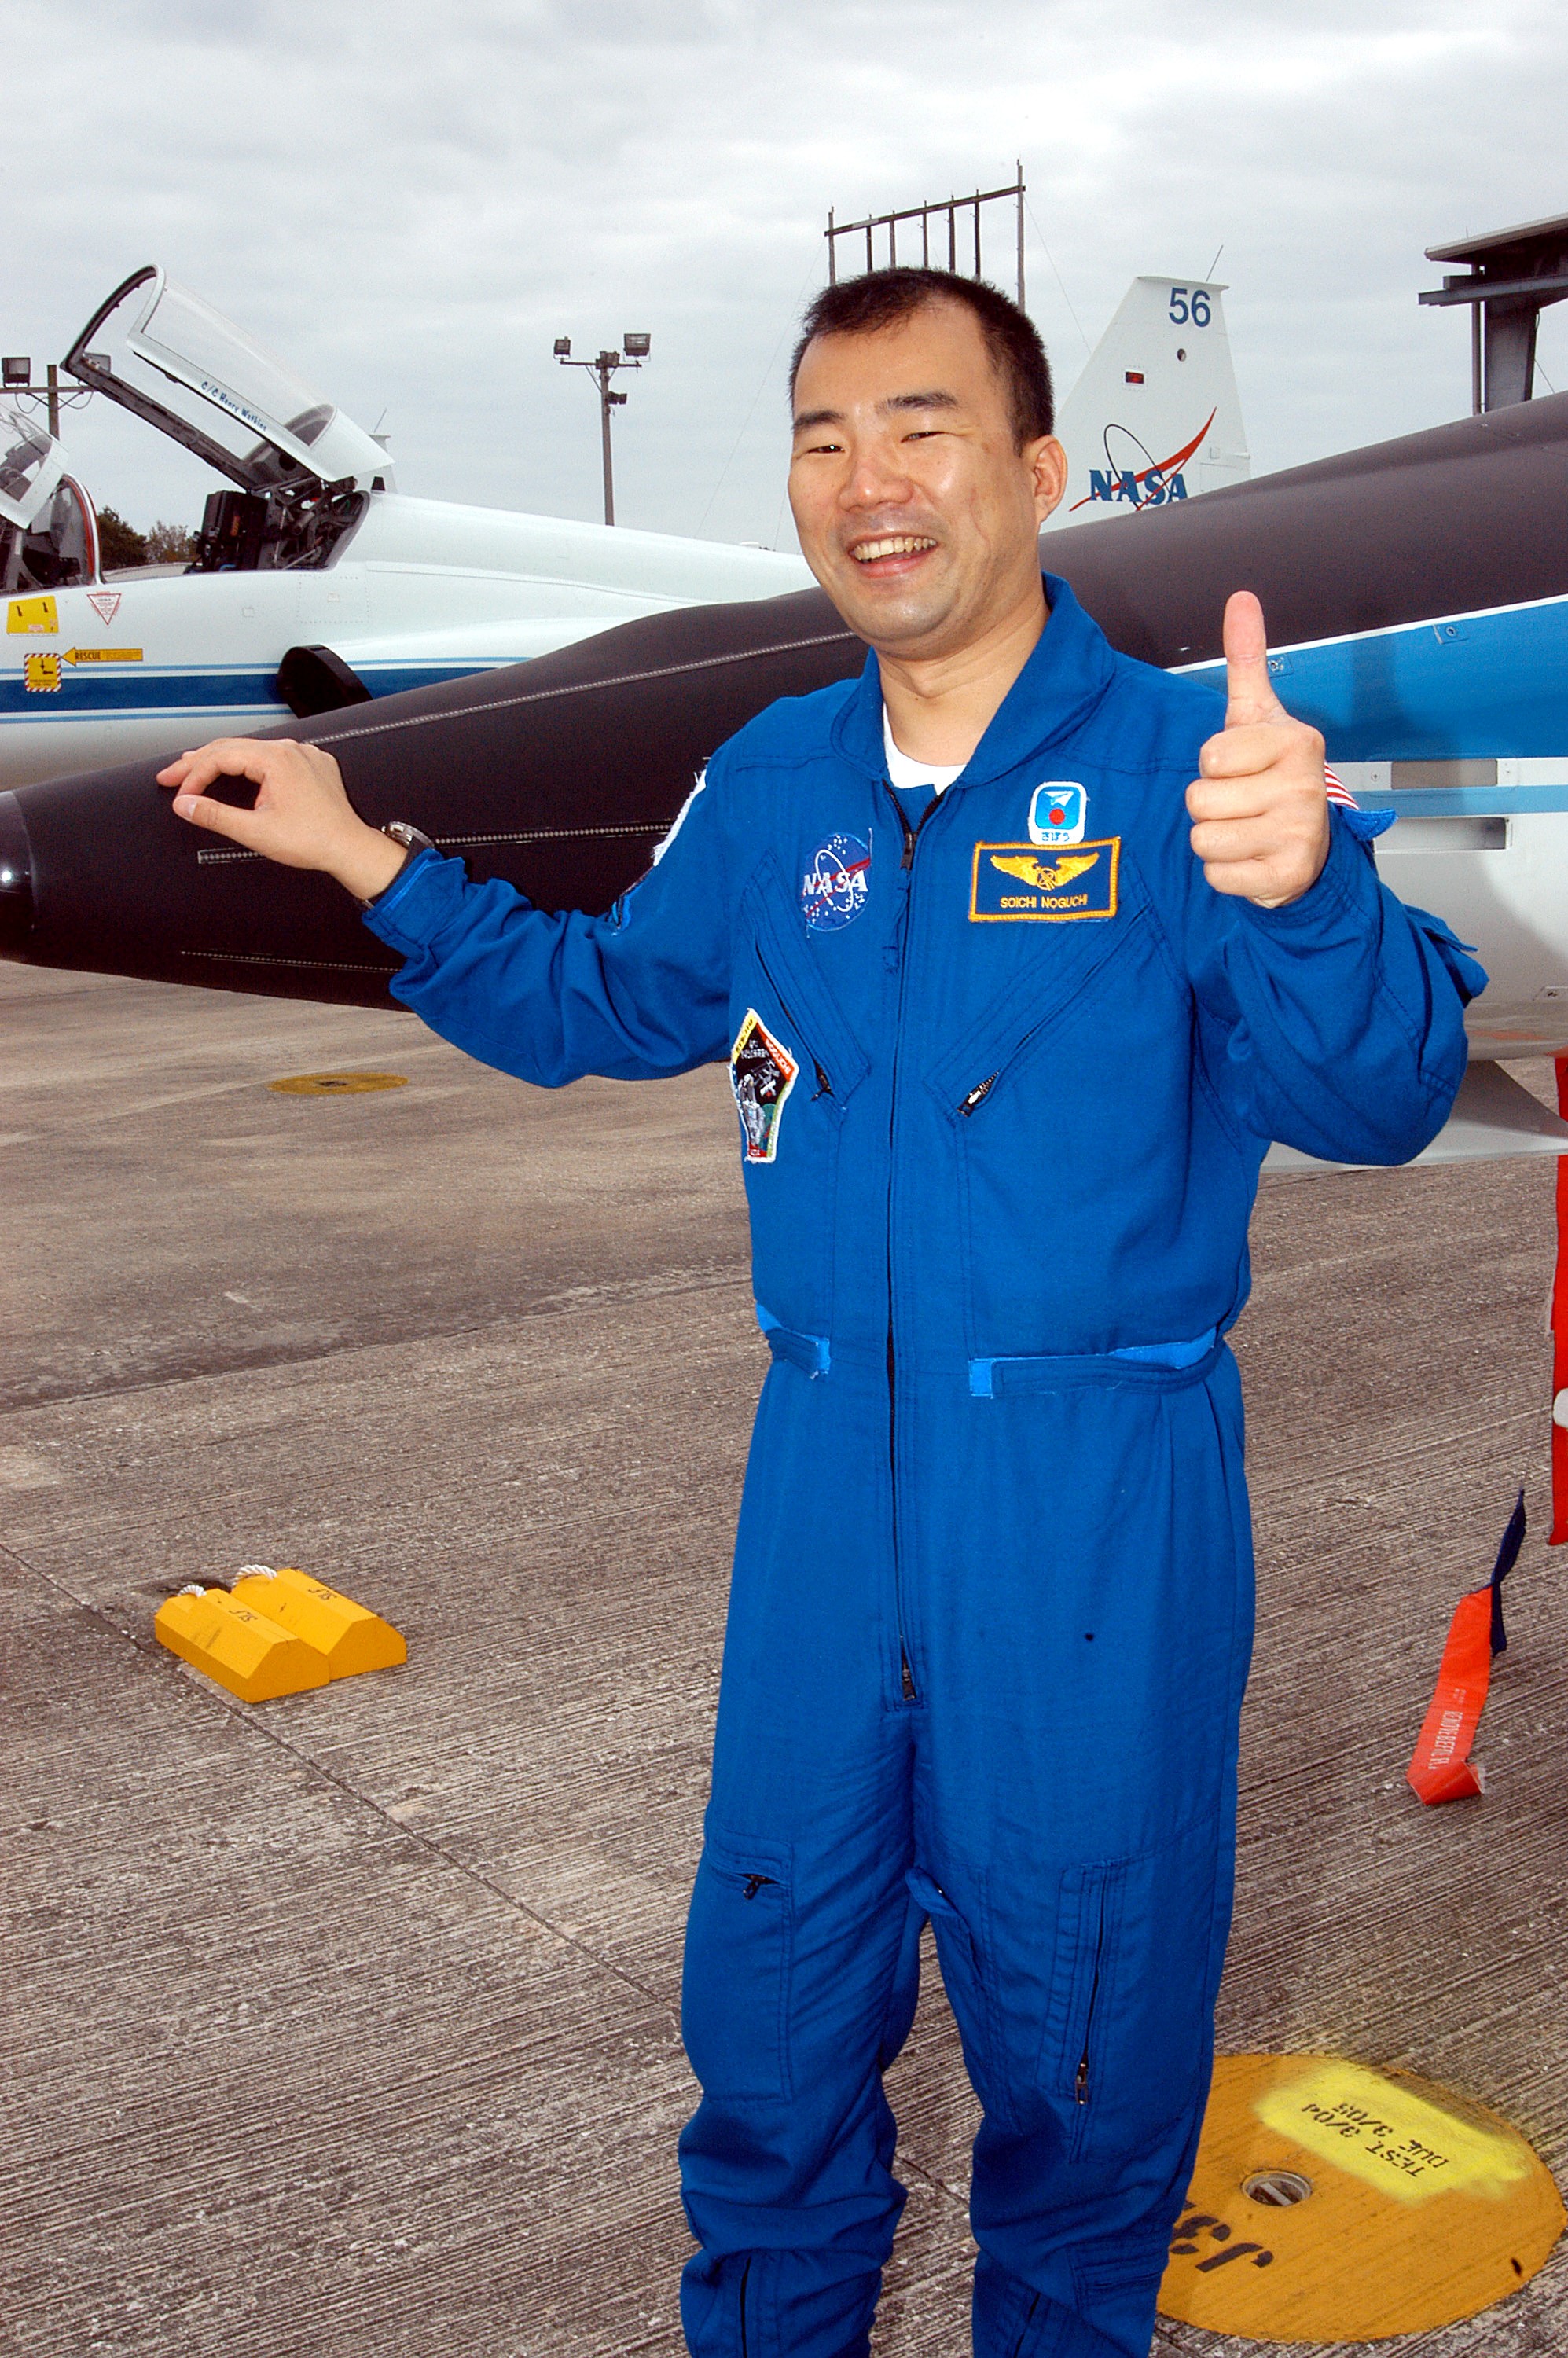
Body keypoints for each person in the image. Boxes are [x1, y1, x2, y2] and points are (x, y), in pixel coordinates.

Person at [157, 267, 1481, 2358]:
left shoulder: (1188, 765)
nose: (868, 481)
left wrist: (1303, 887)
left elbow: (1381, 1097)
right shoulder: (771, 781)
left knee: (1082, 2061)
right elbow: (607, 1000)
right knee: (767, 2044)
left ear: (1037, 472)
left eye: (921, 425)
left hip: (1091, 1500)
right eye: (821, 435)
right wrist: (368, 860)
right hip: (819, 1497)